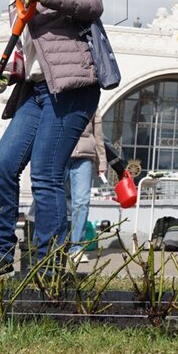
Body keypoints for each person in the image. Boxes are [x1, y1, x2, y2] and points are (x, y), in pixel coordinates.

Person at [0, 0, 103, 275]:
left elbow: (92, 4)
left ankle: (47, 265)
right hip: (35, 92)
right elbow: (32, 56)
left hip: (70, 88)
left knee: (46, 174)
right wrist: (4, 77)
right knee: (3, 166)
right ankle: (0, 254)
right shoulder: (18, 1)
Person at [66, 111, 107, 265]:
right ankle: (54, 245)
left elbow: (98, 134)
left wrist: (101, 162)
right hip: (59, 153)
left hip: (84, 156)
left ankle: (76, 248)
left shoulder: (92, 101)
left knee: (82, 202)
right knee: (56, 201)